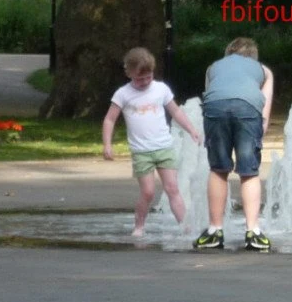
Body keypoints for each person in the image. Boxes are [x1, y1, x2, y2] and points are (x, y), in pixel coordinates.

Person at [102, 47, 202, 237]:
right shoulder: (123, 94)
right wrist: (107, 144)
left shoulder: (161, 89)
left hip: (164, 146)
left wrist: (191, 129)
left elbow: (176, 111)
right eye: (139, 79)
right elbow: (109, 119)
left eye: (148, 77)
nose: (144, 82)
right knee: (147, 192)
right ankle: (139, 225)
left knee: (173, 188)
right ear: (128, 73)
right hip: (142, 151)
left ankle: (185, 226)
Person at [194, 37, 274, 251]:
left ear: (228, 53)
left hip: (215, 108)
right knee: (249, 172)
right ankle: (253, 232)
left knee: (218, 169)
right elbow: (264, 113)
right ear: (253, 55)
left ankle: (214, 231)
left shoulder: (213, 67)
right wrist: (257, 133)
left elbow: (209, 98)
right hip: (248, 109)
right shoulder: (263, 70)